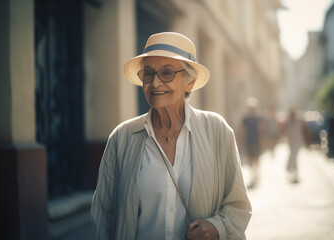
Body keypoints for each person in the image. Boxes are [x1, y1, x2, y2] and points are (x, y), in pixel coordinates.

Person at [91, 32, 252, 240]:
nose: (155, 83)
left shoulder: (217, 131)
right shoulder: (121, 138)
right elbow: (103, 214)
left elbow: (238, 205)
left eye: (167, 73)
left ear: (190, 83)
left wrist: (217, 227)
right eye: (148, 73)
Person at [238, 97, 262, 189]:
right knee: (250, 159)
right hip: (249, 141)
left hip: (256, 141)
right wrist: (240, 142)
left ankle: (256, 173)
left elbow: (261, 130)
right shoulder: (245, 119)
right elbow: (242, 131)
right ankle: (253, 174)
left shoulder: (258, 118)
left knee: (256, 158)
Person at [283, 107, 312, 183]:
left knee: (294, 156)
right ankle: (295, 172)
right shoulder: (288, 121)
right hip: (291, 142)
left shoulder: (300, 121)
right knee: (294, 157)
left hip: (298, 142)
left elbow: (306, 131)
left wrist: (308, 142)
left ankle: (289, 168)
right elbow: (284, 130)